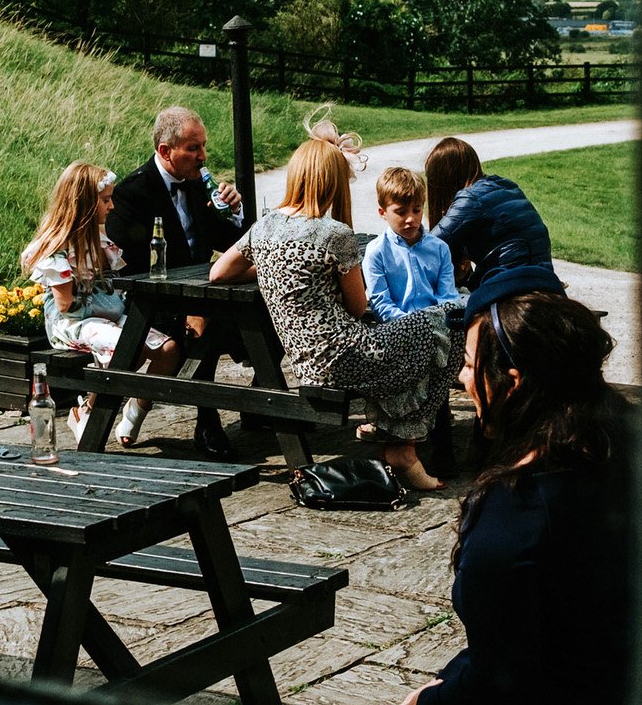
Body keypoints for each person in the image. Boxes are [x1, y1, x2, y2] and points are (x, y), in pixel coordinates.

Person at [359, 290, 630, 705]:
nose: (462, 380)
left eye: (466, 365)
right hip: (618, 690)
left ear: (513, 382)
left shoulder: (517, 515)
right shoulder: (622, 447)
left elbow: (505, 684)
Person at [208, 138, 455, 492]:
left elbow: (219, 273)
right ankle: (403, 446)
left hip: (305, 362)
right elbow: (358, 307)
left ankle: (398, 440)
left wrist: (273, 268)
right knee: (446, 325)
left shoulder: (264, 227)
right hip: (346, 355)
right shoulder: (335, 235)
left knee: (424, 337)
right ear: (334, 182)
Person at [107, 105, 245, 457]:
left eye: (203, 147)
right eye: (193, 148)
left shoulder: (200, 183)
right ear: (166, 152)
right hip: (151, 300)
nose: (203, 157)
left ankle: (259, 404)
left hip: (200, 294)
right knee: (211, 320)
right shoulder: (132, 193)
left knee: (260, 312)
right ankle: (207, 418)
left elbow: (230, 242)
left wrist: (235, 210)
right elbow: (130, 268)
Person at [21, 161, 184, 448]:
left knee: (168, 349)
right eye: (106, 200)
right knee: (126, 347)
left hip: (104, 316)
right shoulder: (59, 248)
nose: (112, 207)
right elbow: (65, 305)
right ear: (85, 204)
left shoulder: (99, 239)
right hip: (72, 322)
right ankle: (88, 412)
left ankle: (135, 409)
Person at [424, 137, 566, 312]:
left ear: (444, 178)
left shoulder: (470, 198)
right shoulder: (504, 185)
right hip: (543, 278)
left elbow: (429, 246)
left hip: (512, 285)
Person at [361, 166, 463, 323]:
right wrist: (415, 326)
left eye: (416, 210)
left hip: (440, 324)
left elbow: (447, 297)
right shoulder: (377, 252)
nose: (410, 219)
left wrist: (436, 323)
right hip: (398, 327)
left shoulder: (439, 248)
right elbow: (382, 305)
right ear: (383, 213)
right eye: (401, 212)